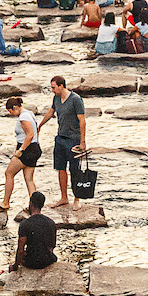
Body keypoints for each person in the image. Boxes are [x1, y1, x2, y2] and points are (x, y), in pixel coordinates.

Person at [48, 75, 86, 209]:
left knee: (75, 170)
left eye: (53, 87)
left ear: (61, 86)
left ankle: (77, 199)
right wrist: (39, 126)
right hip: (60, 138)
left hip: (73, 139)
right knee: (60, 169)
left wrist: (82, 142)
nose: (52, 90)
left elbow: (82, 121)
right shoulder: (56, 98)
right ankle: (64, 198)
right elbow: (50, 112)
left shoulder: (75, 99)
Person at [0, 95, 41, 211]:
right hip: (35, 148)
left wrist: (20, 150)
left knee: (9, 174)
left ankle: (5, 203)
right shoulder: (30, 113)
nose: (11, 113)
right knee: (29, 179)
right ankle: (34, 207)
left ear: (15, 107)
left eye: (10, 110)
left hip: (26, 150)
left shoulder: (23, 117)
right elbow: (36, 131)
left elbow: (30, 134)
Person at [12, 190, 59, 270]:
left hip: (32, 262)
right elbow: (52, 246)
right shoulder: (51, 222)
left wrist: (15, 266)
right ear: (42, 205)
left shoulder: (25, 224)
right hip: (48, 260)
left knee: (22, 256)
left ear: (30, 203)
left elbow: (20, 249)